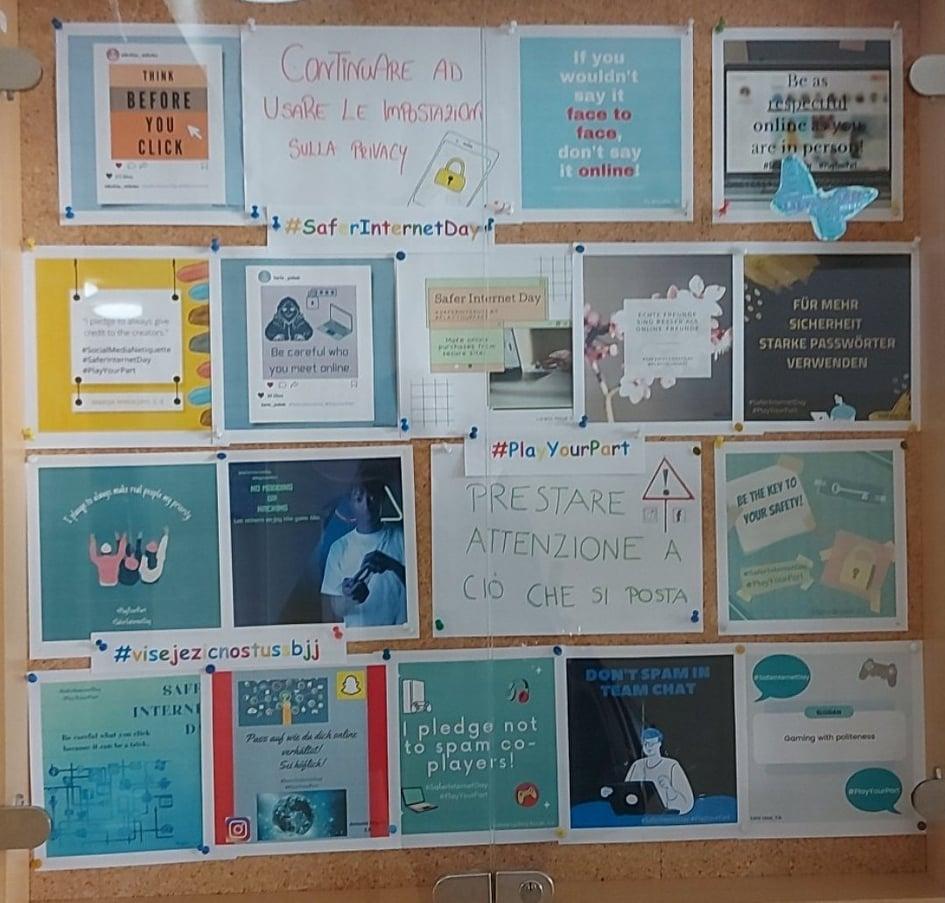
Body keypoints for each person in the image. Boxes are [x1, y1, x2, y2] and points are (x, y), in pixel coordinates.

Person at [321, 479, 407, 627]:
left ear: (381, 498)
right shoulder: (339, 548)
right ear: (350, 503)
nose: (366, 506)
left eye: (371, 497)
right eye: (359, 499)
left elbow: (421, 588)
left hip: (399, 635)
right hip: (359, 637)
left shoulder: (402, 538)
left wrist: (393, 565)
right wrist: (351, 598)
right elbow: (336, 608)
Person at [601, 726, 695, 815]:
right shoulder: (637, 765)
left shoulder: (672, 766)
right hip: (638, 820)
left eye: (651, 744)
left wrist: (669, 788)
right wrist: (611, 792)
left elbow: (686, 804)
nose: (648, 747)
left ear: (659, 744)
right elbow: (626, 793)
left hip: (666, 821)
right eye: (645, 743)